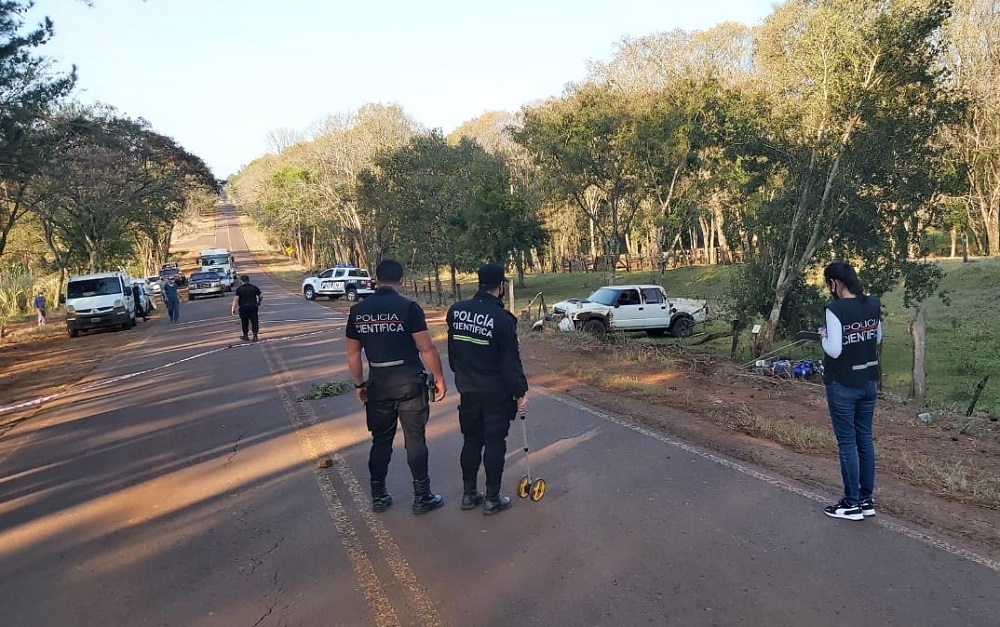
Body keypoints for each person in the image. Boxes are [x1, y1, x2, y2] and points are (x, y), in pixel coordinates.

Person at [345, 259, 448, 515]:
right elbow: (426, 348)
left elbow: (353, 355)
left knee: (380, 441)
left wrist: (359, 384)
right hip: (409, 384)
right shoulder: (408, 308)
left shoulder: (358, 311)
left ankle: (378, 496)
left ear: (376, 278)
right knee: (415, 439)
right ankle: (422, 497)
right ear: (401, 280)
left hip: (378, 385)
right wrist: (439, 378)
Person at [446, 263, 529, 515]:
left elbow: (453, 353)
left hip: (468, 389)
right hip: (495, 393)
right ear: (500, 286)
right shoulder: (503, 319)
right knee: (495, 442)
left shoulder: (457, 311)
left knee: (471, 440)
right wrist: (520, 392)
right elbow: (510, 362)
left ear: (479, 282)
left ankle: (469, 494)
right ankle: (492, 499)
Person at [818, 260, 882, 521]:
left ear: (835, 283)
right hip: (869, 381)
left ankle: (851, 503)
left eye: (829, 283)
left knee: (847, 443)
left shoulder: (835, 309)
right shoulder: (873, 304)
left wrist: (823, 337)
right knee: (864, 439)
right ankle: (866, 500)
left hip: (843, 383)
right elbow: (877, 337)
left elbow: (834, 350)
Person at [231, 274, 263, 341]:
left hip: (243, 307)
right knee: (254, 321)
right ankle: (255, 335)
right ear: (248, 280)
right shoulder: (253, 287)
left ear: (241, 281)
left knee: (244, 322)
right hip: (253, 307)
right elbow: (261, 296)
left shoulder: (239, 289)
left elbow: (236, 299)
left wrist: (233, 308)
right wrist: (259, 302)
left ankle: (245, 335)